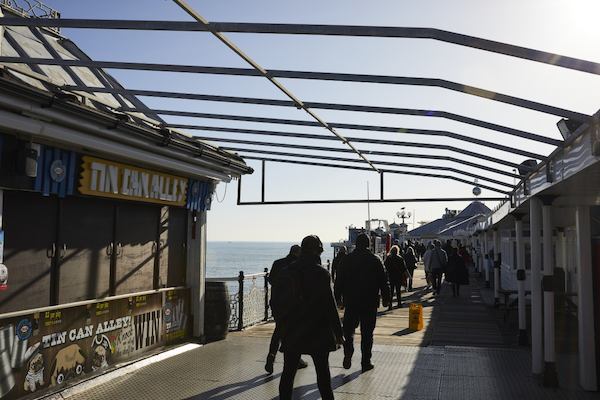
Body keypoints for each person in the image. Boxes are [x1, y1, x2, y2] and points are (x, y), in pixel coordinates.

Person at [278, 235, 343, 400]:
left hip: (293, 329)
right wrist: (338, 332)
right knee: (323, 375)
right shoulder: (321, 273)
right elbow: (330, 305)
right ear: (317, 250)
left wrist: (282, 326)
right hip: (318, 330)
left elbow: (280, 303)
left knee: (288, 373)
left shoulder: (287, 272)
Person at [335, 233, 390, 372]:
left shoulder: (347, 260)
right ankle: (366, 362)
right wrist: (386, 298)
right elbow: (384, 281)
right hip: (370, 302)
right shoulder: (375, 260)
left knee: (348, 331)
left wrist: (337, 298)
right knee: (367, 334)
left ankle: (348, 351)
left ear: (355, 244)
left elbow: (339, 280)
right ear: (368, 244)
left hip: (351, 301)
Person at [265, 245, 308, 374]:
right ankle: (297, 359)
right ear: (299, 253)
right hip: (293, 305)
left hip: (277, 303)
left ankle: (271, 356)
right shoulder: (299, 266)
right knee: (296, 331)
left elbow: (271, 280)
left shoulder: (277, 263)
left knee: (279, 330)